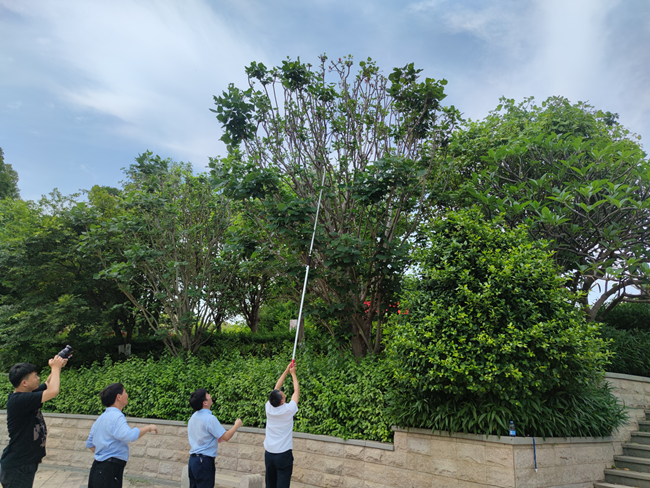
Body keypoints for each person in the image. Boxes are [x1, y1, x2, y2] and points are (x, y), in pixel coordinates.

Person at [0, 356, 68, 488]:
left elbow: (48, 385)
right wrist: (55, 367)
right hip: (18, 466)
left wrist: (56, 368)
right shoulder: (19, 401)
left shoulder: (27, 395)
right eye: (35, 376)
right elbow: (53, 391)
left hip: (24, 463)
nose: (38, 378)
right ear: (24, 383)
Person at [85, 383, 158, 488]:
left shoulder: (100, 418)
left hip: (97, 468)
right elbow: (129, 435)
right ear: (118, 397)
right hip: (110, 469)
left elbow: (89, 444)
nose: (127, 395)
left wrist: (104, 452)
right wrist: (148, 428)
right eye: (125, 392)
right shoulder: (117, 416)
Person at [187, 389, 243, 488]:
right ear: (205, 402)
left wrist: (214, 438)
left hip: (193, 461)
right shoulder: (210, 419)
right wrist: (236, 426)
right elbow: (226, 436)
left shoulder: (193, 417)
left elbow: (202, 435)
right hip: (204, 462)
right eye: (207, 395)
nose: (210, 395)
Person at [264, 362, 299, 488]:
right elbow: (296, 392)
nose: (282, 391)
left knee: (270, 485)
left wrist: (285, 371)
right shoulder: (288, 410)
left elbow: (276, 388)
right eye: (283, 394)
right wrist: (293, 374)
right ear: (282, 401)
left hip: (269, 455)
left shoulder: (268, 407)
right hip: (283, 455)